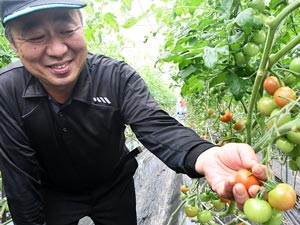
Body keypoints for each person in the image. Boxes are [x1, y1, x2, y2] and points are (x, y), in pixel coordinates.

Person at [0, 1, 267, 225]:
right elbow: (19, 180)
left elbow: (155, 125)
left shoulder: (116, 77)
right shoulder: (7, 91)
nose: (57, 50)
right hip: (55, 194)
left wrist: (204, 153)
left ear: (81, 26)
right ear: (13, 43)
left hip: (114, 186)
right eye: (35, 37)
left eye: (67, 29)